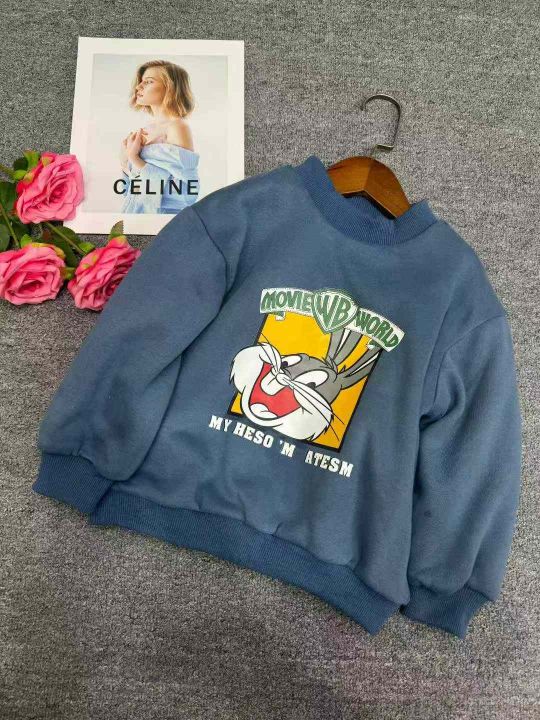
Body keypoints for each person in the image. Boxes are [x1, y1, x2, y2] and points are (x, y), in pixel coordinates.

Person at [119, 60, 200, 214]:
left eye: (149, 82)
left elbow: (186, 193)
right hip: (133, 215)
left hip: (161, 218)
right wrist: (125, 162)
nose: (138, 87)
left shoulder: (177, 127)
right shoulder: (145, 130)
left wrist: (134, 159)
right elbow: (129, 192)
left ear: (170, 88)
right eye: (141, 81)